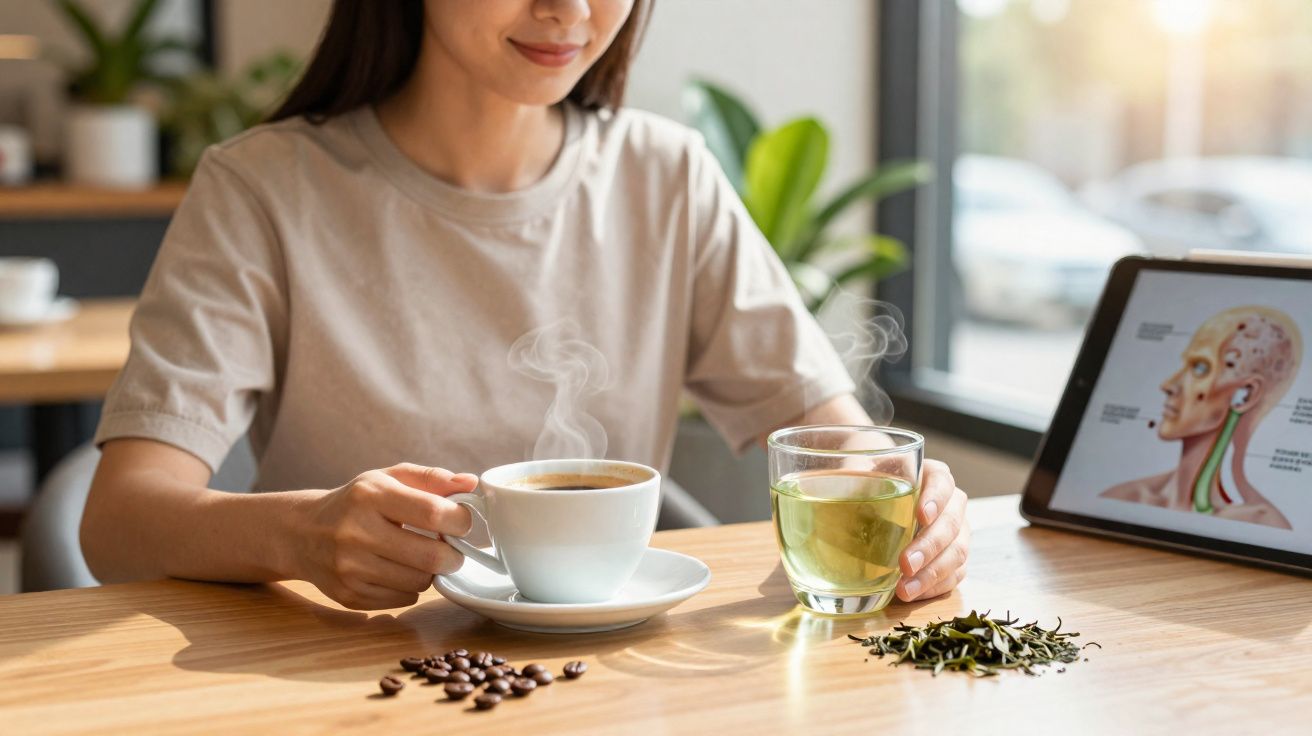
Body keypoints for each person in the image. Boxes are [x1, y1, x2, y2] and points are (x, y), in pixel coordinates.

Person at [80, 0, 970, 610]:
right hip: (343, 683)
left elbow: (833, 436)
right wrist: (302, 536)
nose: (570, 8)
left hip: (614, 692)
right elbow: (120, 521)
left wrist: (916, 504)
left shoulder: (667, 177)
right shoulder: (262, 190)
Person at [1101, 306, 1299, 529]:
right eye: (1186, 365)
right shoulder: (1124, 498)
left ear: (1246, 395)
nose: (1168, 385)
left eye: (1201, 368)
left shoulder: (1262, 523)